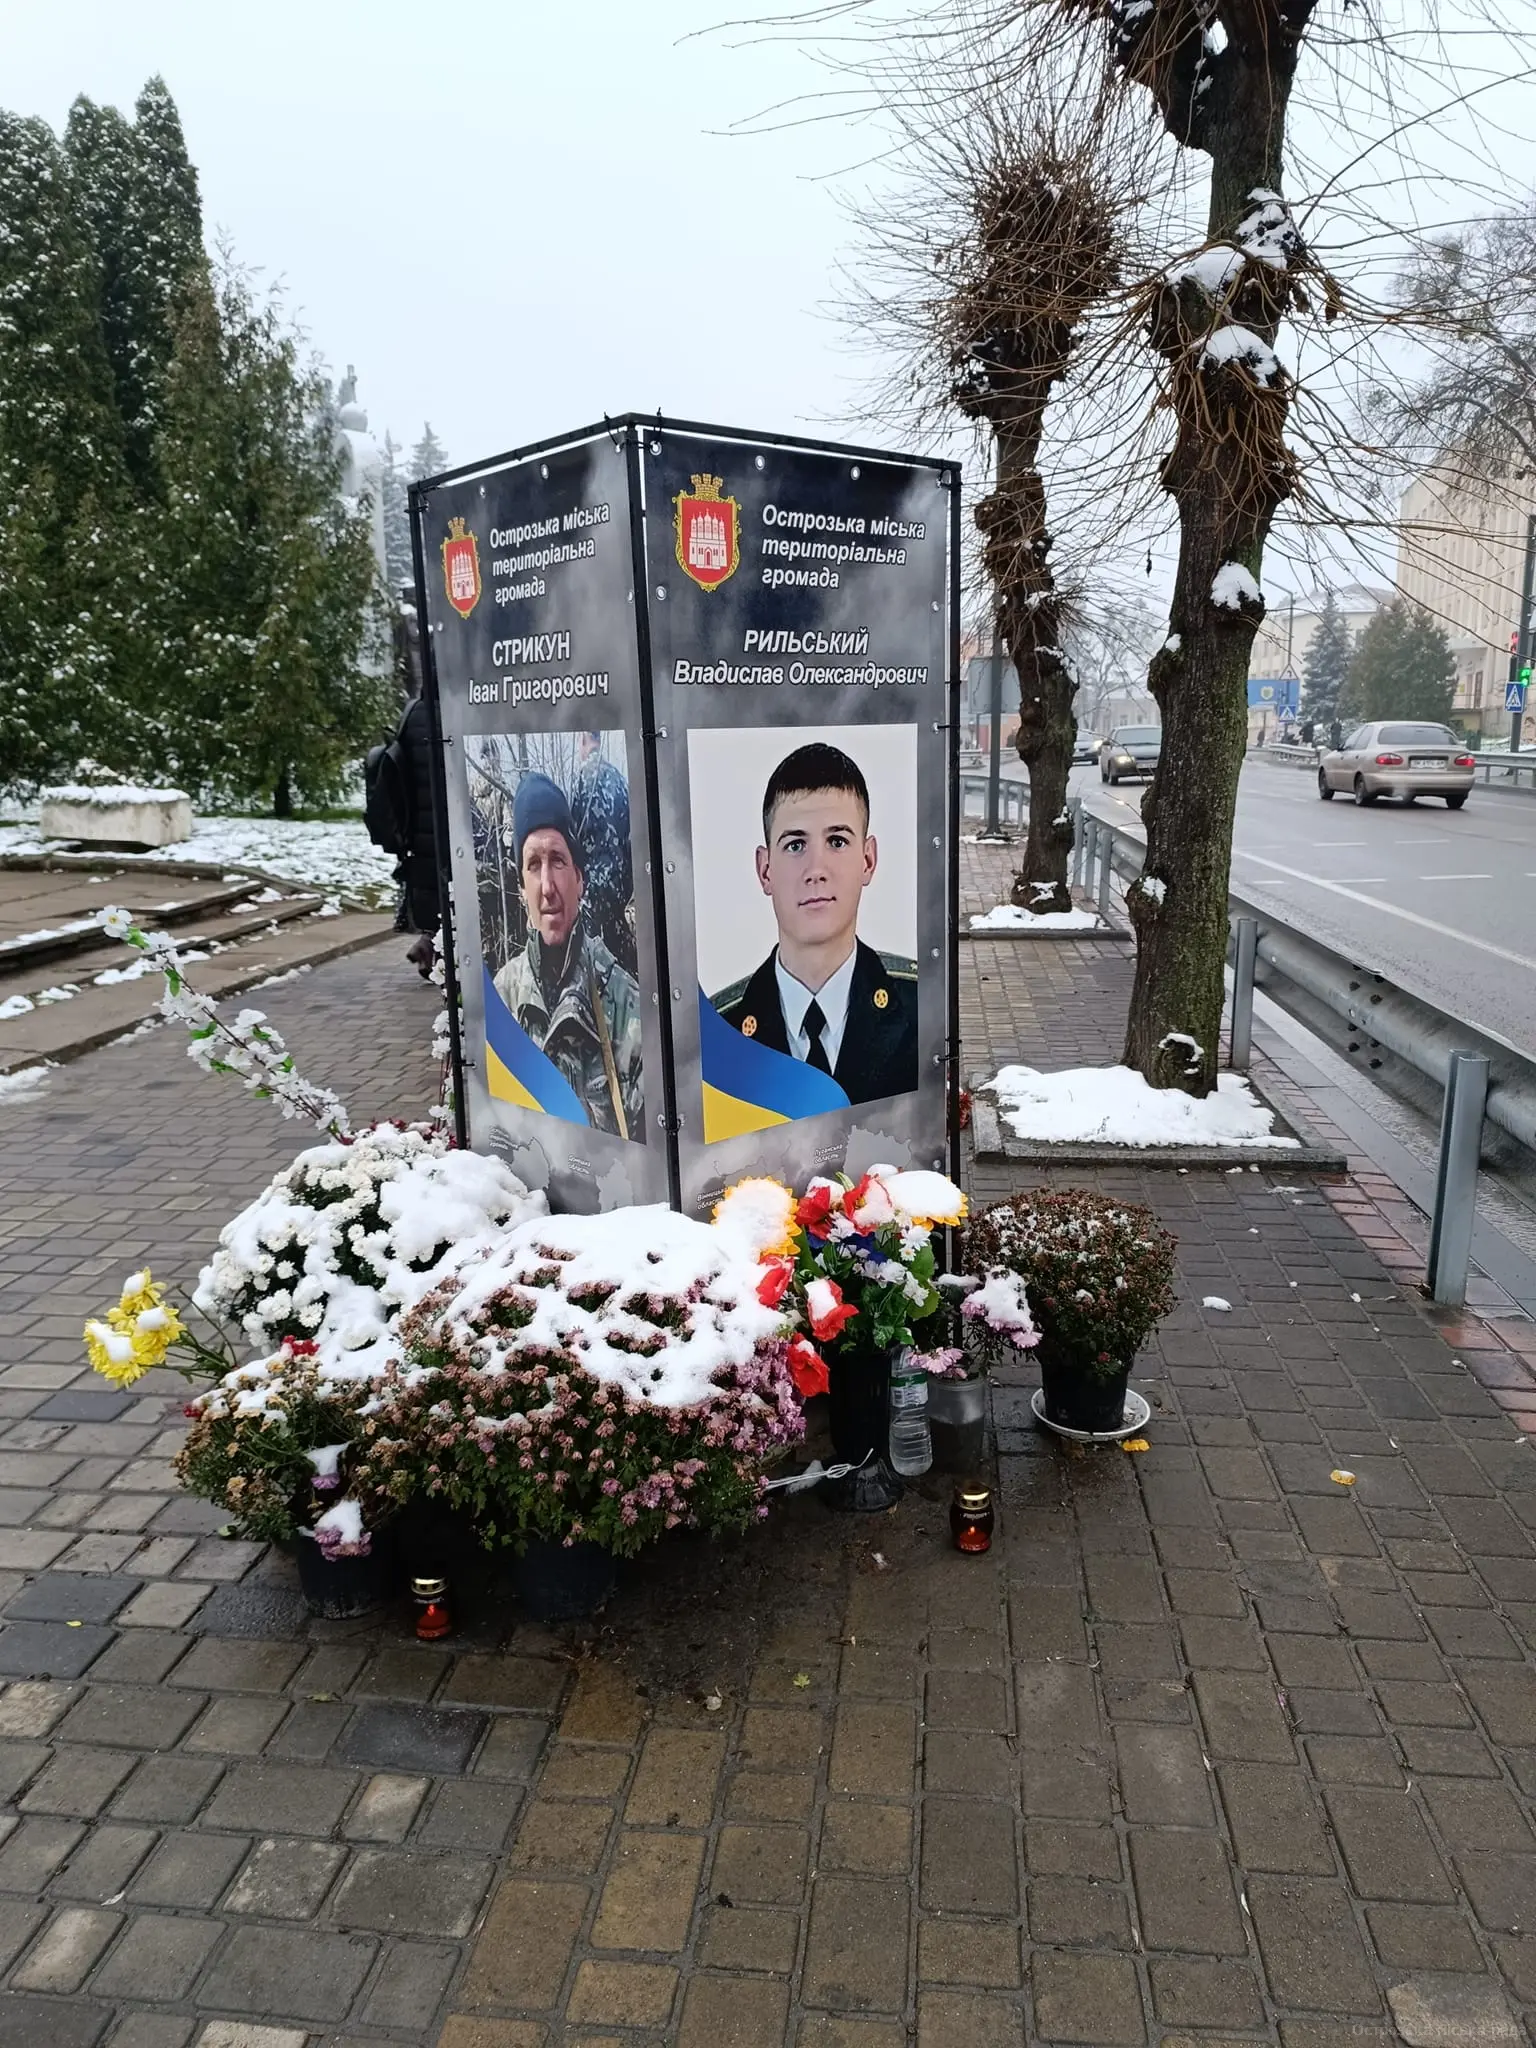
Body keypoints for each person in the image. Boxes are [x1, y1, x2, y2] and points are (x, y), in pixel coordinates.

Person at [710, 741, 918, 1105]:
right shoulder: (718, 1034)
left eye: (837, 841)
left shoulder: (921, 1010)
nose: (816, 870)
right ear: (765, 870)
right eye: (795, 845)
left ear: (868, 860)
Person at [492, 772, 643, 1139]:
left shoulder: (625, 1004)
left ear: (579, 879)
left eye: (558, 861)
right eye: (533, 865)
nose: (547, 887)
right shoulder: (501, 1000)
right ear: (521, 890)